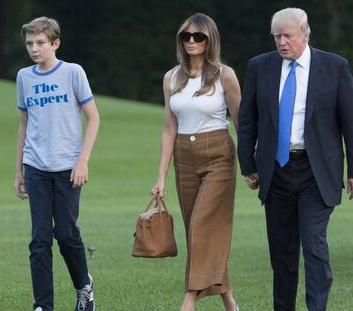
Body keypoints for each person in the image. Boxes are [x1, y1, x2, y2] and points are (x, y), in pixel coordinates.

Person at [238, 7, 353, 311]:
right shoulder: (259, 67)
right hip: (276, 171)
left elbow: (350, 122)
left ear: (305, 34)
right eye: (277, 36)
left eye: (287, 36)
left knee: (314, 245)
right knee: (282, 252)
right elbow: (247, 118)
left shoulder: (334, 67)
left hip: (318, 171)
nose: (281, 42)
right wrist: (247, 164)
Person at [151, 13, 241, 311]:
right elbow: (168, 128)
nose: (191, 41)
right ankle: (227, 298)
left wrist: (252, 166)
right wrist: (161, 176)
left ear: (209, 40)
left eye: (198, 36)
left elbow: (241, 122)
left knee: (202, 224)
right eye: (186, 36)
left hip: (218, 154)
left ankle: (189, 299)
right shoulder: (171, 77)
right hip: (184, 157)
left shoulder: (224, 75)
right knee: (195, 228)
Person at [14, 17, 100, 311]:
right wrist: (18, 171)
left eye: (40, 43)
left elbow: (94, 118)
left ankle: (83, 287)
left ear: (55, 43)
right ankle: (42, 306)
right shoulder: (24, 77)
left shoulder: (73, 73)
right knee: (39, 240)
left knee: (65, 234)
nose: (34, 49)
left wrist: (83, 161)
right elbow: (24, 125)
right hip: (35, 167)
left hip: (68, 169)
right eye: (29, 43)